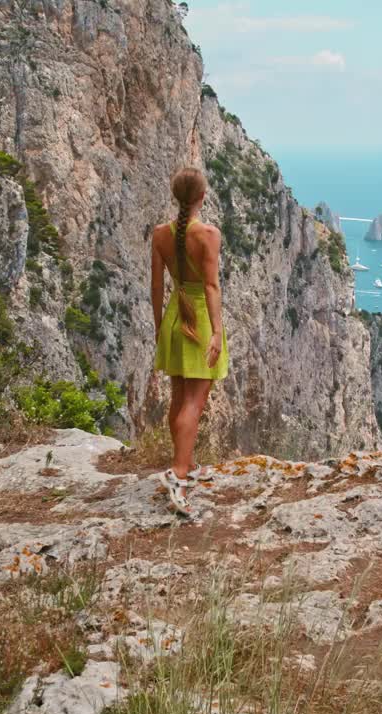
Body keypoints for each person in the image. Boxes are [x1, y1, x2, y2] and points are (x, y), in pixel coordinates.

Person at [150, 167, 229, 515]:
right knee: (194, 402)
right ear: (201, 197)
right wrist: (215, 331)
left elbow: (155, 287)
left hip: (173, 317)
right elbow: (211, 286)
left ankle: (183, 461)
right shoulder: (208, 235)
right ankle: (179, 474)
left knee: (179, 397)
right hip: (197, 318)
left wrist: (159, 327)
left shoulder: (159, 235)